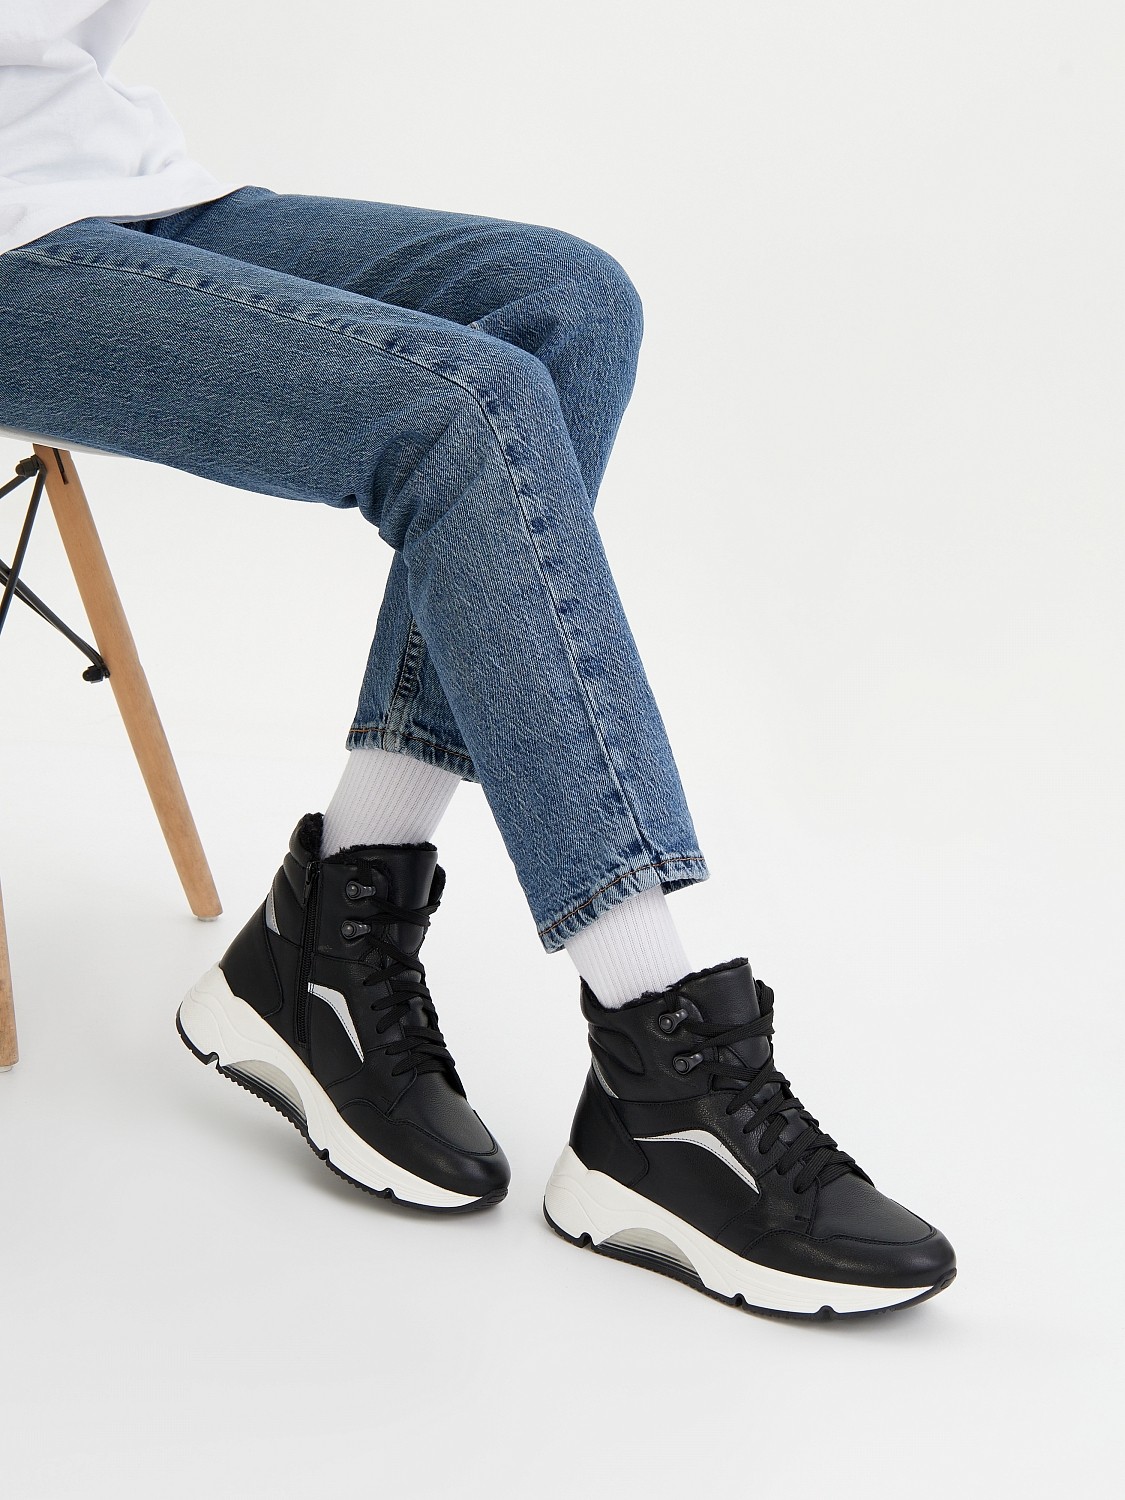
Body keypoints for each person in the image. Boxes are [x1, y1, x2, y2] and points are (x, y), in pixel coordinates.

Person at [0, 0, 955, 1319]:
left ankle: (334, 921)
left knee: (569, 306)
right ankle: (661, 1064)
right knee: (464, 407)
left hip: (103, 178)